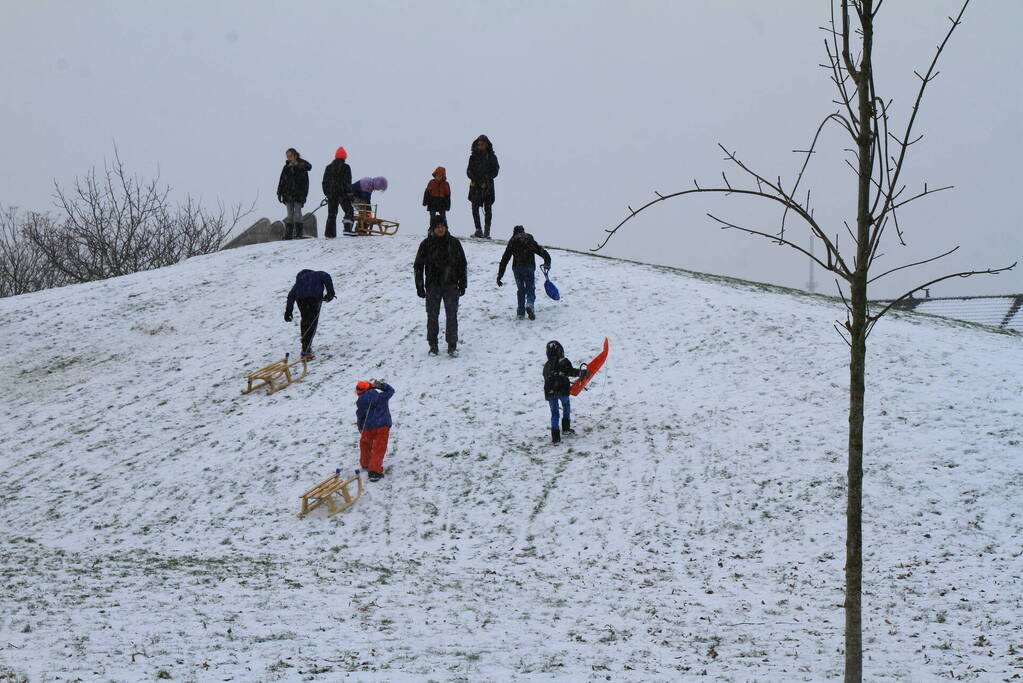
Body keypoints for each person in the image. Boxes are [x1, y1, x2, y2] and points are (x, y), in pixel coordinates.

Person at [414, 215, 467, 356]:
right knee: (432, 316)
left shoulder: (454, 243)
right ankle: (433, 345)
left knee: (452, 315)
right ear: (432, 228)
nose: (440, 229)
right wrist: (419, 286)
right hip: (433, 286)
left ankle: (452, 345)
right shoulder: (426, 244)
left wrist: (463, 283)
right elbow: (418, 266)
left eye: (442, 226)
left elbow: (462, 264)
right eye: (437, 227)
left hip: (451, 285)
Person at [496, 225, 552, 320]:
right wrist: (547, 261)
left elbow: (505, 259)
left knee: (521, 290)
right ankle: (529, 304)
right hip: (528, 267)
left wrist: (500, 276)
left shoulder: (512, 240)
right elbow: (541, 251)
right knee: (530, 287)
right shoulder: (528, 238)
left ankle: (520, 313)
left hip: (517, 268)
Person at [542, 340, 587, 444]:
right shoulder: (563, 361)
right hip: (562, 389)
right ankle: (566, 428)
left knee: (554, 413)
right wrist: (580, 373)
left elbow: (546, 376)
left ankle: (555, 437)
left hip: (550, 391)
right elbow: (569, 371)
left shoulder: (546, 365)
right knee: (566, 406)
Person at [284, 269, 335, 359]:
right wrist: (330, 293)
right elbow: (327, 277)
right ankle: (306, 350)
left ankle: (305, 347)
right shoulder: (319, 274)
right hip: (314, 298)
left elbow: (291, 296)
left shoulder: (299, 282)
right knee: (312, 323)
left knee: (305, 321)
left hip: (301, 301)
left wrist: (288, 312)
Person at [356, 380, 395, 482]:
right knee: (379, 448)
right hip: (382, 426)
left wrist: (361, 428)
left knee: (365, 445)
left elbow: (360, 416)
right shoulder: (380, 397)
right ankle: (374, 472)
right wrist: (381, 385)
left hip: (367, 427)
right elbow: (391, 390)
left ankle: (365, 464)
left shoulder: (360, 402)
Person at [466, 134, 499, 238]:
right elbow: (468, 171)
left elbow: (495, 171)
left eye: (482, 144)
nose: (480, 146)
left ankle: (487, 232)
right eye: (479, 144)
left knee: (488, 208)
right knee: (474, 208)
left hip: (488, 186)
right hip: (475, 186)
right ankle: (478, 229)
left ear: (487, 145)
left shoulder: (492, 157)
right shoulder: (473, 157)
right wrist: (474, 178)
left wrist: (486, 179)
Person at [276, 148, 312, 240]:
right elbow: (281, 181)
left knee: (298, 214)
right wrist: (279, 193)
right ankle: (289, 234)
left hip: (298, 194)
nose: (288, 158)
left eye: (290, 156)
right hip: (287, 194)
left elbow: (305, 183)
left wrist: (304, 195)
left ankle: (299, 234)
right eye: (287, 156)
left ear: (295, 156)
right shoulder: (286, 167)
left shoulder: (302, 166)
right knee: (290, 214)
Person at [322, 146, 354, 237]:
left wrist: (327, 193)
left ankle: (329, 234)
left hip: (332, 194)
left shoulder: (328, 167)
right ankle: (347, 229)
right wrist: (349, 193)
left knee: (331, 214)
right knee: (348, 210)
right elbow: (348, 182)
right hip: (342, 193)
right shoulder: (346, 167)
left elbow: (324, 182)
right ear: (344, 157)